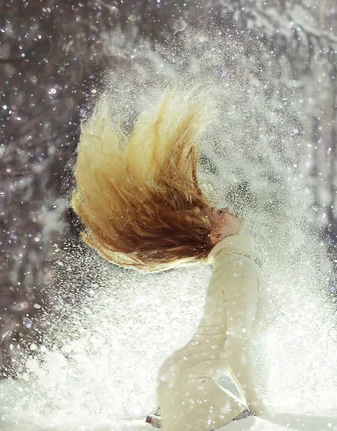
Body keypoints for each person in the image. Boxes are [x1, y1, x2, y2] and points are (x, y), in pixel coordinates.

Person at [71, 89, 266, 430]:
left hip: (184, 381)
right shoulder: (236, 267)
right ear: (216, 237)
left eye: (216, 210)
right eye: (216, 215)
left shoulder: (234, 264)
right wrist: (258, 404)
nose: (222, 208)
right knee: (250, 425)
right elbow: (236, 345)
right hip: (188, 385)